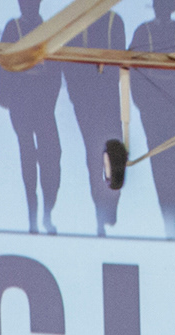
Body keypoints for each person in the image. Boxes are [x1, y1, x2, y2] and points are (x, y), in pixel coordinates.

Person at [131, 0, 175, 239]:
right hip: (155, 114)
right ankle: (169, 217)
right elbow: (133, 72)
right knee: (161, 164)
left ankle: (174, 211)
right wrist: (146, 106)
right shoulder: (142, 32)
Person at [0, 0, 64, 234]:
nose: (29, 5)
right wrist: (6, 97)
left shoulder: (47, 30)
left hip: (44, 106)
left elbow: (56, 71)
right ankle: (33, 217)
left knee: (52, 155)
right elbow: (3, 63)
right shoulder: (12, 28)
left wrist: (49, 102)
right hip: (21, 105)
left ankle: (47, 212)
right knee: (28, 157)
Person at [64, 10, 126, 235]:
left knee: (114, 150)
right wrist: (76, 96)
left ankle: (111, 207)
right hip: (86, 102)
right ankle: (100, 209)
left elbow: (121, 62)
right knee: (94, 153)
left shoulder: (114, 22)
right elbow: (68, 64)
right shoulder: (74, 22)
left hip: (108, 100)